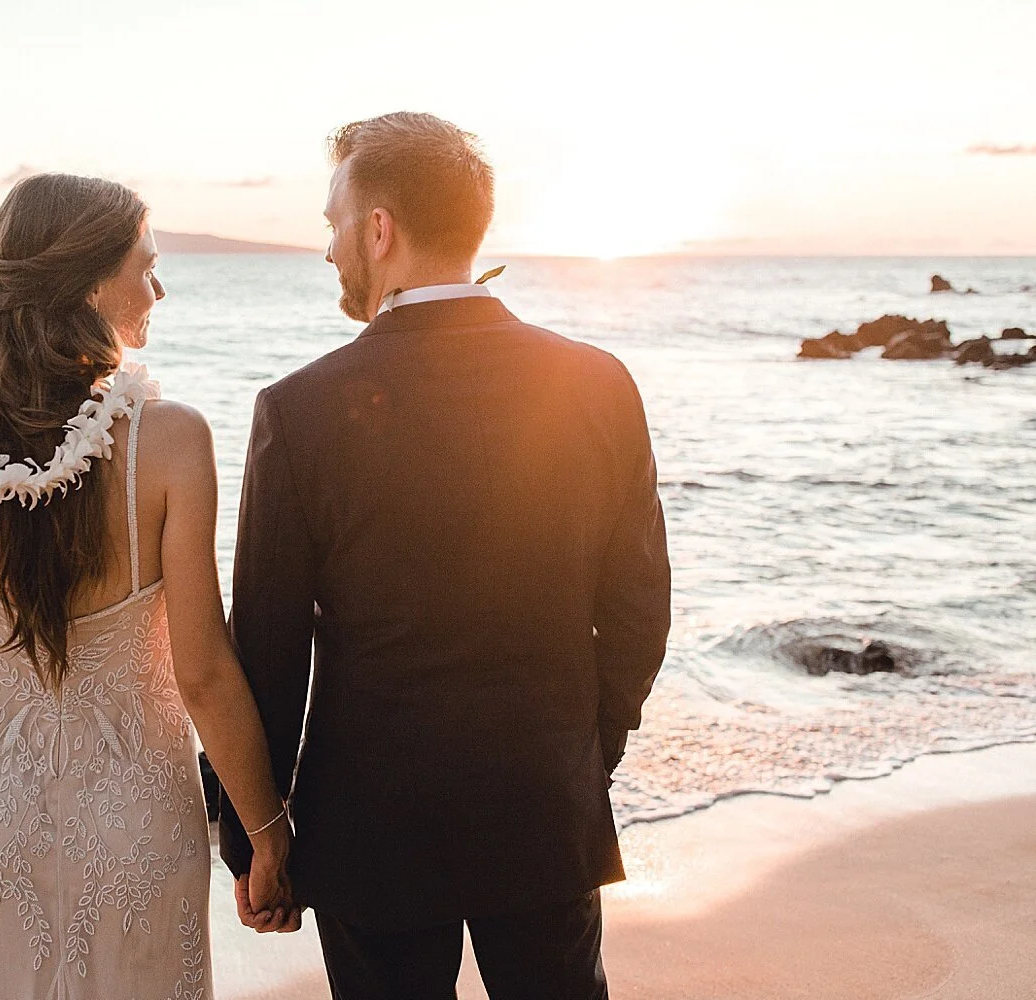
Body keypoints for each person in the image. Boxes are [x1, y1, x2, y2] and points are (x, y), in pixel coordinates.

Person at [217, 113, 672, 1000]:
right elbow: (637, 613)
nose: (328, 251)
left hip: (371, 830)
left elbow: (267, 649)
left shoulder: (298, 410)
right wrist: (584, 755)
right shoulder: (598, 383)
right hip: (546, 805)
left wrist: (255, 836)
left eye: (331, 224)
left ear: (378, 229)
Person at [0, 173, 293, 1000]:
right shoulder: (171, 442)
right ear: (91, 282)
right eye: (146, 265)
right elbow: (202, 673)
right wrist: (268, 831)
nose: (159, 287)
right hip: (138, 815)